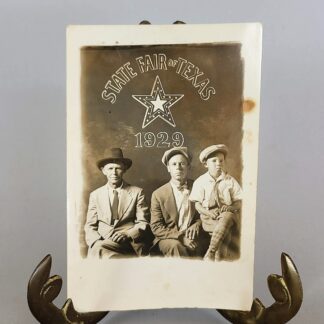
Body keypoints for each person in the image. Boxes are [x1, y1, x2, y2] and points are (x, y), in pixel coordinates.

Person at [84, 148, 150, 258]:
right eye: (110, 168)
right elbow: (90, 225)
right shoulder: (95, 195)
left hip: (128, 243)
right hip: (103, 240)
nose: (114, 173)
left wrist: (127, 234)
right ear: (103, 171)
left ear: (124, 169)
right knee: (98, 248)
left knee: (99, 251)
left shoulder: (137, 192)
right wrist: (96, 241)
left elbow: (143, 223)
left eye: (118, 168)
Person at [189, 144, 242, 261]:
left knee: (226, 217)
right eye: (214, 161)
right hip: (209, 218)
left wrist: (230, 208)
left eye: (221, 161)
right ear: (205, 164)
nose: (218, 164)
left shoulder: (230, 181)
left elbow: (239, 202)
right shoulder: (200, 181)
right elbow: (197, 204)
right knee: (223, 237)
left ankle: (210, 251)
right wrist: (209, 213)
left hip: (229, 216)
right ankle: (216, 260)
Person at [150, 147, 205, 257]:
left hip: (194, 236)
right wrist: (181, 237)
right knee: (176, 247)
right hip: (168, 238)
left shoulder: (198, 186)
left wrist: (197, 224)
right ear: (168, 168)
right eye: (174, 164)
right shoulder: (158, 194)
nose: (178, 168)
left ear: (188, 167)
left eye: (182, 164)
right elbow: (156, 227)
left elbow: (206, 212)